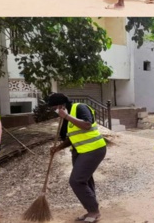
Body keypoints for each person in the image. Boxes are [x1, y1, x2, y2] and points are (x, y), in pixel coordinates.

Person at [47, 93, 106, 223]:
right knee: (85, 180)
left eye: (54, 108)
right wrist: (58, 148)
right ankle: (91, 209)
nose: (54, 111)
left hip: (94, 149)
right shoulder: (64, 119)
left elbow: (87, 125)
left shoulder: (79, 108)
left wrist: (66, 116)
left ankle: (94, 211)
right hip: (79, 151)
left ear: (61, 105)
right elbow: (71, 138)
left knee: (76, 180)